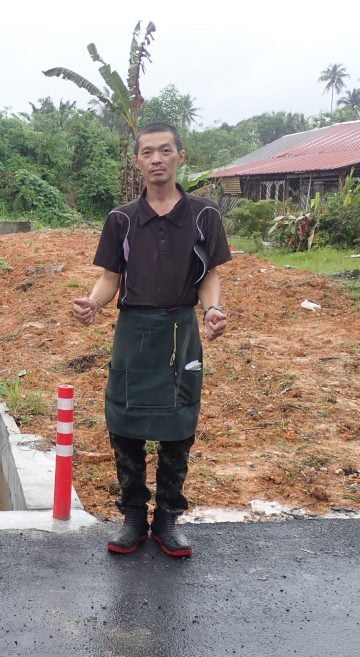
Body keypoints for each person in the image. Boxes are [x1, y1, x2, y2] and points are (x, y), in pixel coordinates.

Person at [72, 122, 231, 558]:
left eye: (165, 151)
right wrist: (93, 304)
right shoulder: (121, 219)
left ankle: (167, 520)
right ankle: (132, 518)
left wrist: (212, 309)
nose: (157, 159)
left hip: (181, 330)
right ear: (137, 161)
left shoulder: (204, 215)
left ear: (180, 155)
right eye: (148, 152)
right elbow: (110, 279)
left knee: (179, 427)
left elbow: (209, 277)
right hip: (134, 331)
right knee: (125, 425)